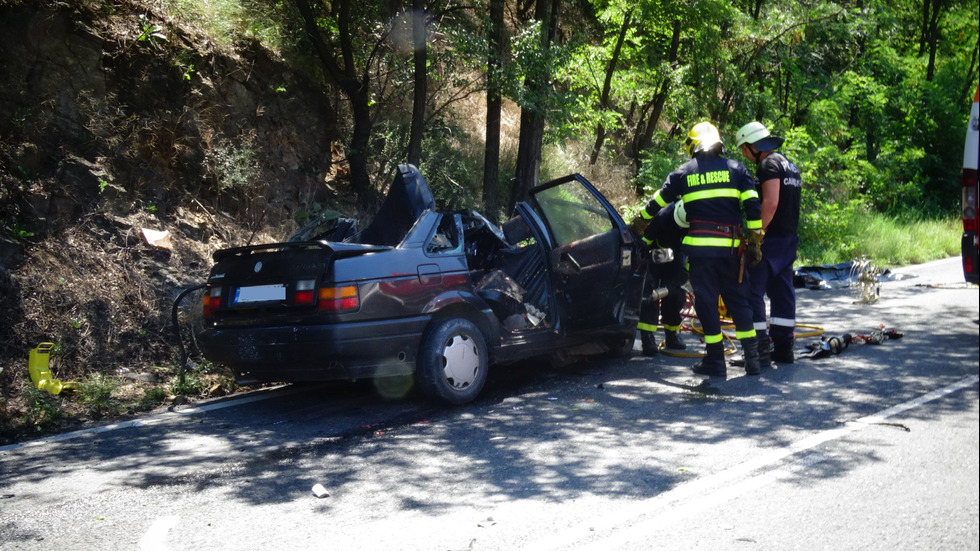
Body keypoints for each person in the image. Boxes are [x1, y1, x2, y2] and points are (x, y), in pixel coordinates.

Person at [643, 121, 764, 377]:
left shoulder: (683, 173)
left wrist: (639, 221)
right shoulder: (737, 169)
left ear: (693, 145)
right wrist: (754, 241)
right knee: (739, 301)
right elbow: (753, 208)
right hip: (732, 251)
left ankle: (716, 361)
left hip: (701, 253)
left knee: (707, 304)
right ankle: (753, 359)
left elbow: (658, 202)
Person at [735, 122, 802, 364]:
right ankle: (783, 347)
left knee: (752, 291)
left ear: (755, 145)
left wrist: (755, 236)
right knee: (782, 291)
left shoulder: (768, 165)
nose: (744, 154)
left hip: (770, 240)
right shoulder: (789, 165)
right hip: (788, 239)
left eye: (745, 149)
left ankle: (758, 349)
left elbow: (770, 204)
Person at [635, 200, 688, 356]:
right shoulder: (663, 217)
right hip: (653, 252)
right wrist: (643, 264)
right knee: (649, 293)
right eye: (678, 225)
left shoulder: (694, 221)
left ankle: (672, 335)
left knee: (675, 293)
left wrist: (683, 274)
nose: (680, 228)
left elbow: (694, 254)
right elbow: (644, 243)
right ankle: (647, 338)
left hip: (676, 253)